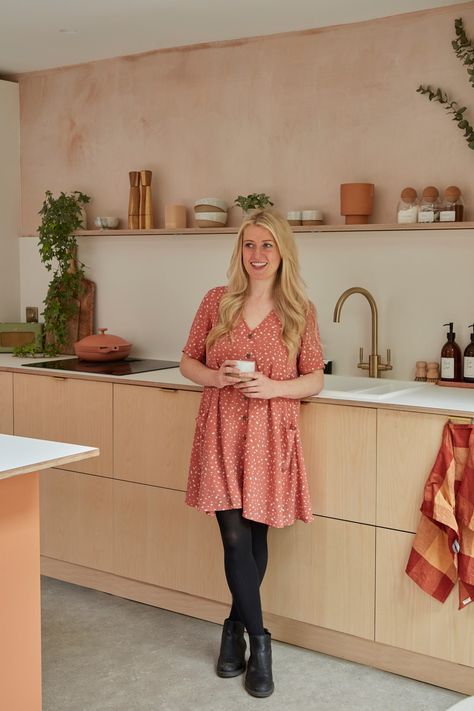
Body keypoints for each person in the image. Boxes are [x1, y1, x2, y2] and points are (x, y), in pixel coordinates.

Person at [180, 208, 324, 698]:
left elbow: (315, 379)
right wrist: (215, 377)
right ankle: (259, 643)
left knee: (255, 536)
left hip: (269, 433)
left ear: (282, 251)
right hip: (220, 427)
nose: (257, 255)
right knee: (236, 538)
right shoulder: (216, 300)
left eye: (267, 245)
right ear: (239, 251)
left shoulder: (299, 309)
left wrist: (275, 386)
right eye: (249, 245)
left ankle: (233, 630)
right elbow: (187, 361)